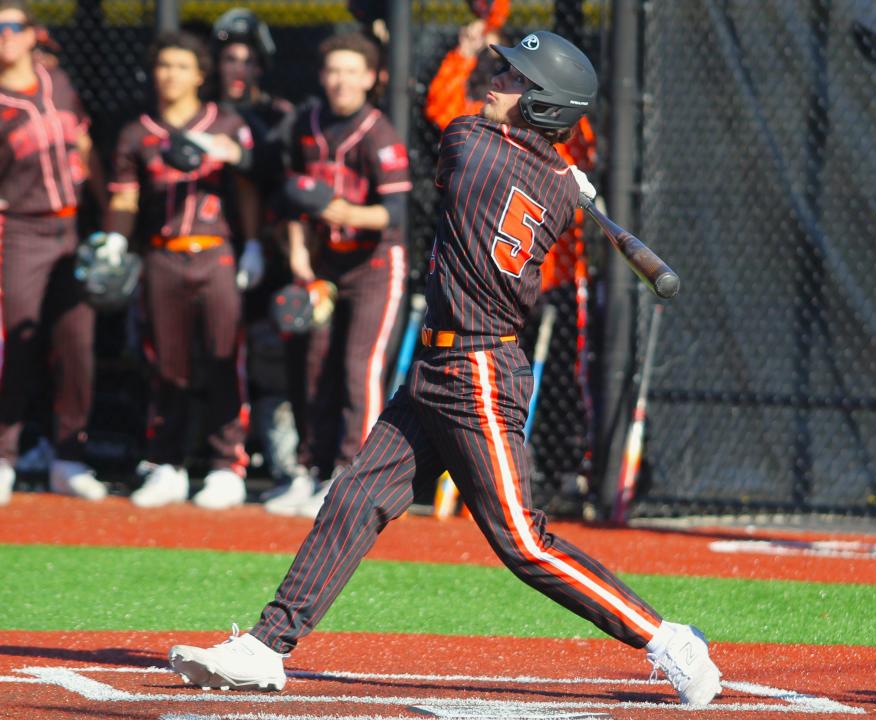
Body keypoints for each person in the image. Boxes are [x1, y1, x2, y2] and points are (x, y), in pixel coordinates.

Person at [168, 31, 722, 706]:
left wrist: (557, 169)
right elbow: (528, 169)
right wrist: (565, 175)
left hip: (479, 371)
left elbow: (467, 131)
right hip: (441, 363)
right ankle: (265, 646)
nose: (495, 80)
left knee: (522, 541)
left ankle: (667, 640)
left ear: (543, 107)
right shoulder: (548, 188)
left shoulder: (473, 147)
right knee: (355, 498)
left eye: (515, 79)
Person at [425, 9, 597, 514]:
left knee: (572, 375)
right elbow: (446, 112)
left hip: (554, 279)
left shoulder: (487, 140)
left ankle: (570, 469)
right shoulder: (474, 139)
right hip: (508, 295)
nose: (498, 81)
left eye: (519, 77)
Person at [104, 30, 260, 510]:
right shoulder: (137, 132)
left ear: (199, 74)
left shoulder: (227, 124)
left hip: (216, 254)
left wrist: (253, 244)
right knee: (164, 363)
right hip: (162, 255)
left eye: (180, 66)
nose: (169, 75)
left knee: (223, 359)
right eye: (162, 65)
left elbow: (251, 186)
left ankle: (225, 464)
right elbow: (125, 195)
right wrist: (114, 237)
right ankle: (166, 463)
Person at [260, 31, 411, 517]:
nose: (341, 80)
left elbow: (393, 215)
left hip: (374, 266)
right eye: (333, 71)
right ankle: (311, 470)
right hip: (324, 265)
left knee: (358, 370)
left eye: (352, 71)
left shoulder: (379, 133)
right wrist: (300, 259)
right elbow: (291, 198)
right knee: (312, 368)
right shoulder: (305, 123)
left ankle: (352, 477)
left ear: (370, 78)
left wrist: (338, 207)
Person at [0, 0, 105, 504]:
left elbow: (85, 148)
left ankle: (68, 456)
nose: (3, 36)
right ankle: (5, 456)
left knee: (76, 344)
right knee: (14, 342)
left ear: (31, 34)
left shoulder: (57, 81)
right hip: (19, 229)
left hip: (71, 229)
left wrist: (108, 223)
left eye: (11, 27)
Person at [210, 8, 302, 492]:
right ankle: (220, 458)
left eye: (246, 61)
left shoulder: (281, 116)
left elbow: (281, 179)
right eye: (229, 60)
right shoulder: (205, 115)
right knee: (219, 354)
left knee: (275, 357)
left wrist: (267, 245)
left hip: (271, 254)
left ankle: (282, 458)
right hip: (209, 252)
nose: (237, 70)